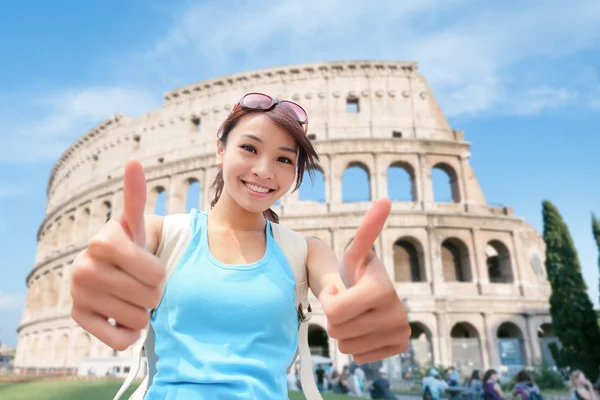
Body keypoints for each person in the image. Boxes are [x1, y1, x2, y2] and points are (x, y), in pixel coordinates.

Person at [69, 92, 410, 399]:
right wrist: (98, 266)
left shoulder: (306, 252)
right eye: (249, 148)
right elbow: (120, 244)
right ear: (221, 149)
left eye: (284, 159)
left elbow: (339, 289)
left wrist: (361, 302)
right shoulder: (165, 234)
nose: (263, 170)